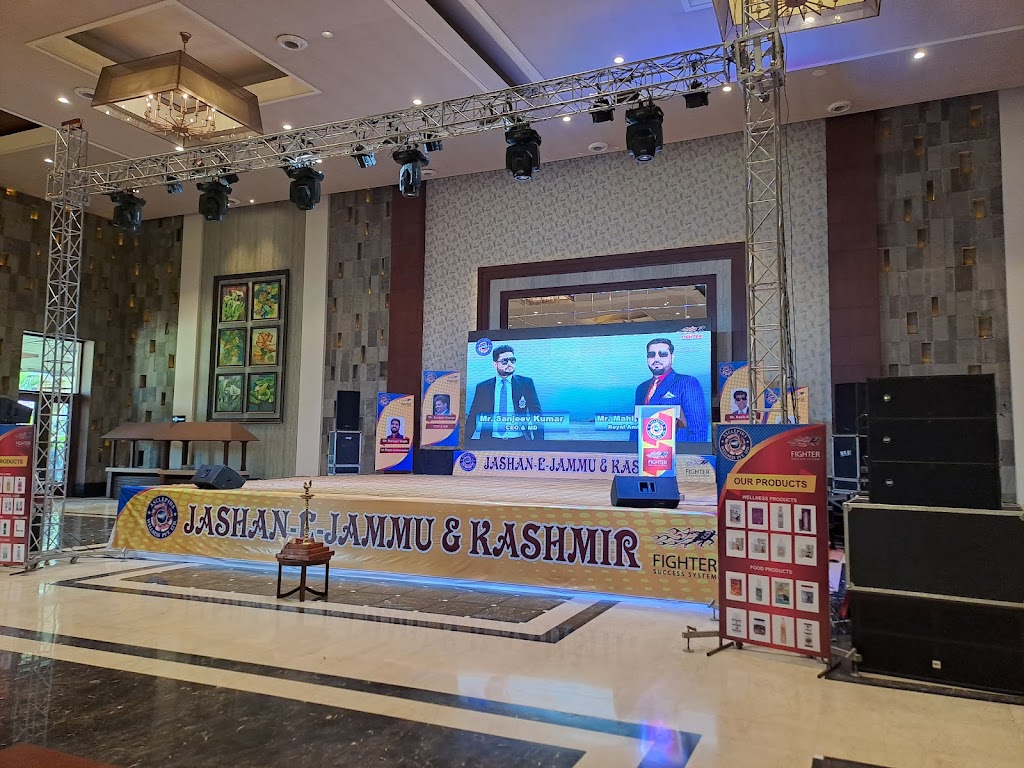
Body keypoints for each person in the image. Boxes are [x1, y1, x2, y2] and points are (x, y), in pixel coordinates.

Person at [633, 338, 708, 443]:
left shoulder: (687, 382)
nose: (656, 359)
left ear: (672, 357)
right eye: (651, 355)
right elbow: (636, 428)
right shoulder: (641, 388)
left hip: (677, 451)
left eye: (663, 354)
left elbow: (698, 429)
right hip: (644, 451)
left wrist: (694, 453)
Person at [467, 345, 544, 442]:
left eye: (512, 360)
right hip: (490, 441)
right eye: (504, 361)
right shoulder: (483, 387)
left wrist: (539, 443)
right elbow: (473, 416)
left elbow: (536, 414)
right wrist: (466, 442)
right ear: (495, 364)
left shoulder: (526, 383)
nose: (509, 364)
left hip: (519, 440)